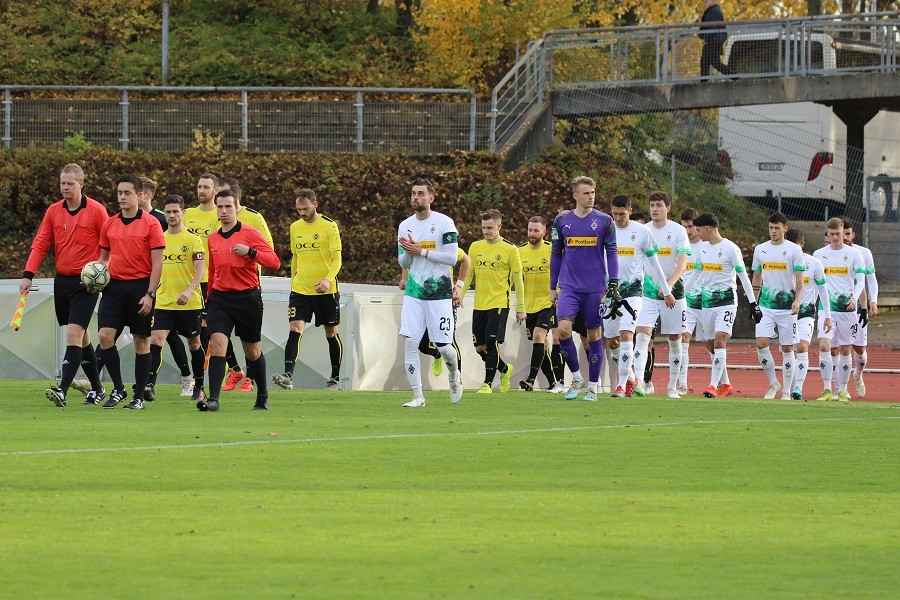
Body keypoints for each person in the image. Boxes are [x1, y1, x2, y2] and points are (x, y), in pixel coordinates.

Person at [22, 163, 109, 407]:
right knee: (81, 337)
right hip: (62, 281)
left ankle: (61, 390)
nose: (65, 187)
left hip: (86, 284)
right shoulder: (53, 211)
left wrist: (100, 271)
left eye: (70, 183)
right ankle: (98, 389)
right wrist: (28, 274)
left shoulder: (96, 210)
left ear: (81, 184)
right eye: (62, 183)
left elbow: (109, 244)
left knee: (73, 334)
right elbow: (41, 243)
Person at [199, 189, 281, 412]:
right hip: (220, 300)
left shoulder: (250, 233)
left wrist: (251, 252)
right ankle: (213, 399)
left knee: (251, 351)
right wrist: (208, 303)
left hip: (247, 299)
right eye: (220, 207)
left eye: (228, 206)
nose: (223, 211)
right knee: (217, 345)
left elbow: (274, 262)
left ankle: (262, 395)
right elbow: (213, 271)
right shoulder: (213, 238)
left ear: (237, 207)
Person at [97, 175, 165, 410]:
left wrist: (150, 294)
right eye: (119, 193)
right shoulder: (110, 223)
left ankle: (138, 396)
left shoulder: (152, 223)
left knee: (141, 341)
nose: (122, 197)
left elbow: (157, 263)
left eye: (127, 193)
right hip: (113, 287)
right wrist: (95, 276)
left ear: (139, 195)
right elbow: (104, 258)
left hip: (140, 287)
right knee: (105, 336)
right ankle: (118, 389)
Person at [550, 176, 619, 403]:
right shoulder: (562, 220)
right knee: (563, 331)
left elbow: (611, 252)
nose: (591, 197)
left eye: (593, 192)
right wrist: (553, 287)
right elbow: (555, 254)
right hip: (569, 287)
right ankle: (577, 377)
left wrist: (614, 282)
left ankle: (592, 387)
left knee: (593, 336)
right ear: (575, 195)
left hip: (595, 289)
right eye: (586, 193)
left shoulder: (604, 221)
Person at [396, 178, 464, 408]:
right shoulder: (405, 225)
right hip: (414, 293)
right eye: (413, 193)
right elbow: (402, 260)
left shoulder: (445, 223)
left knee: (444, 347)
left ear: (431, 198)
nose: (416, 197)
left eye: (421, 193)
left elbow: (452, 258)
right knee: (410, 342)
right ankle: (418, 396)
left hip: (440, 294)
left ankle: (454, 377)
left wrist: (421, 251)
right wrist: (408, 252)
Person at [272, 188, 344, 391]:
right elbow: (295, 256)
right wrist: (293, 280)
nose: (302, 213)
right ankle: (288, 376)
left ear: (315, 204)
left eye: (305, 209)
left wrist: (328, 280)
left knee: (331, 333)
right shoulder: (295, 227)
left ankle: (335, 378)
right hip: (301, 290)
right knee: (295, 329)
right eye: (298, 210)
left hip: (325, 291)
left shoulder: (329, 226)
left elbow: (337, 258)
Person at [604, 195, 675, 398]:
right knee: (612, 341)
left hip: (633, 292)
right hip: (609, 292)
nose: (618, 218)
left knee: (627, 334)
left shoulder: (642, 232)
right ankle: (633, 378)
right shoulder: (606, 229)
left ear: (630, 210)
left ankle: (621, 385)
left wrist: (667, 290)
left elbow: (655, 264)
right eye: (614, 214)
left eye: (622, 214)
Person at [146, 195, 207, 403]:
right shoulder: (159, 239)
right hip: (164, 301)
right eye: (168, 212)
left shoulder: (193, 239)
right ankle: (149, 386)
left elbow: (200, 271)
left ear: (183, 213)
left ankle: (198, 385)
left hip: (189, 303)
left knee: (194, 343)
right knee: (156, 339)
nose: (171, 215)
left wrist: (189, 291)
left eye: (175, 211)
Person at [691, 213, 758, 399]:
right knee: (711, 345)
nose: (697, 235)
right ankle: (726, 384)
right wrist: (677, 292)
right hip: (706, 304)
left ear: (707, 229)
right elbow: (695, 275)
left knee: (720, 340)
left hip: (726, 303)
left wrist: (753, 303)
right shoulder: (702, 249)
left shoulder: (730, 249)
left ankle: (712, 385)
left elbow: (743, 277)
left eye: (698, 230)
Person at [139, 175, 195, 397]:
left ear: (147, 194)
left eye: (138, 191)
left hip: (169, 288)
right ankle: (152, 384)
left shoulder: (161, 220)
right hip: (149, 286)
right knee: (160, 336)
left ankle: (188, 378)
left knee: (171, 336)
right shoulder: (130, 218)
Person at [218, 177, 275, 393]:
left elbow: (269, 251)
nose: (222, 206)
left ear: (236, 198)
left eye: (225, 199)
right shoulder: (216, 218)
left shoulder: (254, 218)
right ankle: (234, 370)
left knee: (249, 340)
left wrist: (250, 253)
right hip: (220, 285)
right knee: (215, 335)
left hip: (247, 286)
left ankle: (251, 378)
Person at [459, 209, 526, 394]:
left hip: (499, 303)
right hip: (480, 303)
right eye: (483, 227)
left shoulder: (510, 249)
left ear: (499, 227)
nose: (486, 231)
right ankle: (505, 369)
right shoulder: (475, 247)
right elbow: (469, 274)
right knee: (479, 347)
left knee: (491, 343)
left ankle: (487, 384)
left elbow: (518, 280)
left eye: (490, 228)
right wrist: (460, 294)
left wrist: (521, 307)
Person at [633, 191, 691, 399]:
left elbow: (683, 263)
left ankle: (672, 387)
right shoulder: (643, 231)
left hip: (673, 295)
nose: (654, 209)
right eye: (652, 205)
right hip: (647, 294)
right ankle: (638, 382)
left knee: (675, 339)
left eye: (658, 205)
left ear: (668, 208)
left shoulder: (678, 231)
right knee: (641, 335)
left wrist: (668, 285)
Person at [751, 212, 806, 400]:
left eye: (776, 228)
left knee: (788, 349)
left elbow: (800, 280)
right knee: (761, 343)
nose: (773, 231)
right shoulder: (760, 249)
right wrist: (754, 303)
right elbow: (757, 277)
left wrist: (797, 300)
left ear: (785, 229)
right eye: (770, 228)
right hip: (766, 306)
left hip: (787, 308)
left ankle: (786, 392)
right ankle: (774, 382)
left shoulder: (794, 251)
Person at [812, 218, 865, 403]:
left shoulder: (854, 254)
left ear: (844, 233)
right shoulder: (818, 255)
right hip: (826, 310)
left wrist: (855, 298)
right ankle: (827, 388)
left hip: (848, 310)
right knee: (825, 346)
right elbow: (814, 282)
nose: (835, 237)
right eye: (831, 234)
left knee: (845, 349)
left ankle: (842, 390)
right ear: (827, 234)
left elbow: (861, 280)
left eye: (838, 234)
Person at [399, 247, 468, 378]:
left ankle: (457, 379)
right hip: (420, 300)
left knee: (447, 342)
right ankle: (436, 354)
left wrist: (458, 286)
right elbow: (406, 263)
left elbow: (466, 260)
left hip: (443, 299)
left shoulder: (444, 246)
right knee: (421, 344)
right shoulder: (415, 245)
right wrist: (405, 280)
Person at [517, 216, 565, 393]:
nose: (532, 233)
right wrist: (519, 306)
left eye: (536, 230)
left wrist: (559, 293)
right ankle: (553, 382)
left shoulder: (553, 250)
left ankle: (530, 379)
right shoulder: (519, 251)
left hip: (548, 302)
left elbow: (563, 274)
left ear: (544, 232)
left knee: (539, 336)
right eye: (530, 230)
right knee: (541, 344)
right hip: (528, 305)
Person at [784, 228, 832, 400]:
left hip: (806, 312)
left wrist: (827, 315)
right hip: (786, 313)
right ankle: (785, 388)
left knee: (802, 347)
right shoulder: (782, 262)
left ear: (802, 245)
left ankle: (798, 387)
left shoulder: (814, 263)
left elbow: (823, 290)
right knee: (789, 350)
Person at [183, 174, 222, 374]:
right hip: (185, 281)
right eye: (199, 186)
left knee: (208, 327)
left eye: (206, 187)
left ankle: (207, 371)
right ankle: (196, 373)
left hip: (210, 281)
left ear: (215, 190)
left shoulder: (219, 215)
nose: (201, 191)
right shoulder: (187, 214)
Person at [842, 219, 878, 397]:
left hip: (859, 307)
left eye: (848, 234)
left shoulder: (863, 253)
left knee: (859, 350)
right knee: (843, 348)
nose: (845, 237)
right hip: (840, 308)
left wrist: (873, 301)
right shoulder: (832, 254)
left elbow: (870, 279)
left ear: (853, 235)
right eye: (843, 233)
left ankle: (858, 374)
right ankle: (842, 388)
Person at [699, 0, 733, 78]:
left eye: (706, 1)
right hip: (712, 41)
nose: (705, 3)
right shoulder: (712, 11)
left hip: (713, 41)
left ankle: (734, 77)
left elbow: (712, 27)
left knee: (715, 63)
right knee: (705, 62)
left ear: (712, 1)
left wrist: (706, 38)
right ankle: (703, 83)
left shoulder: (714, 11)